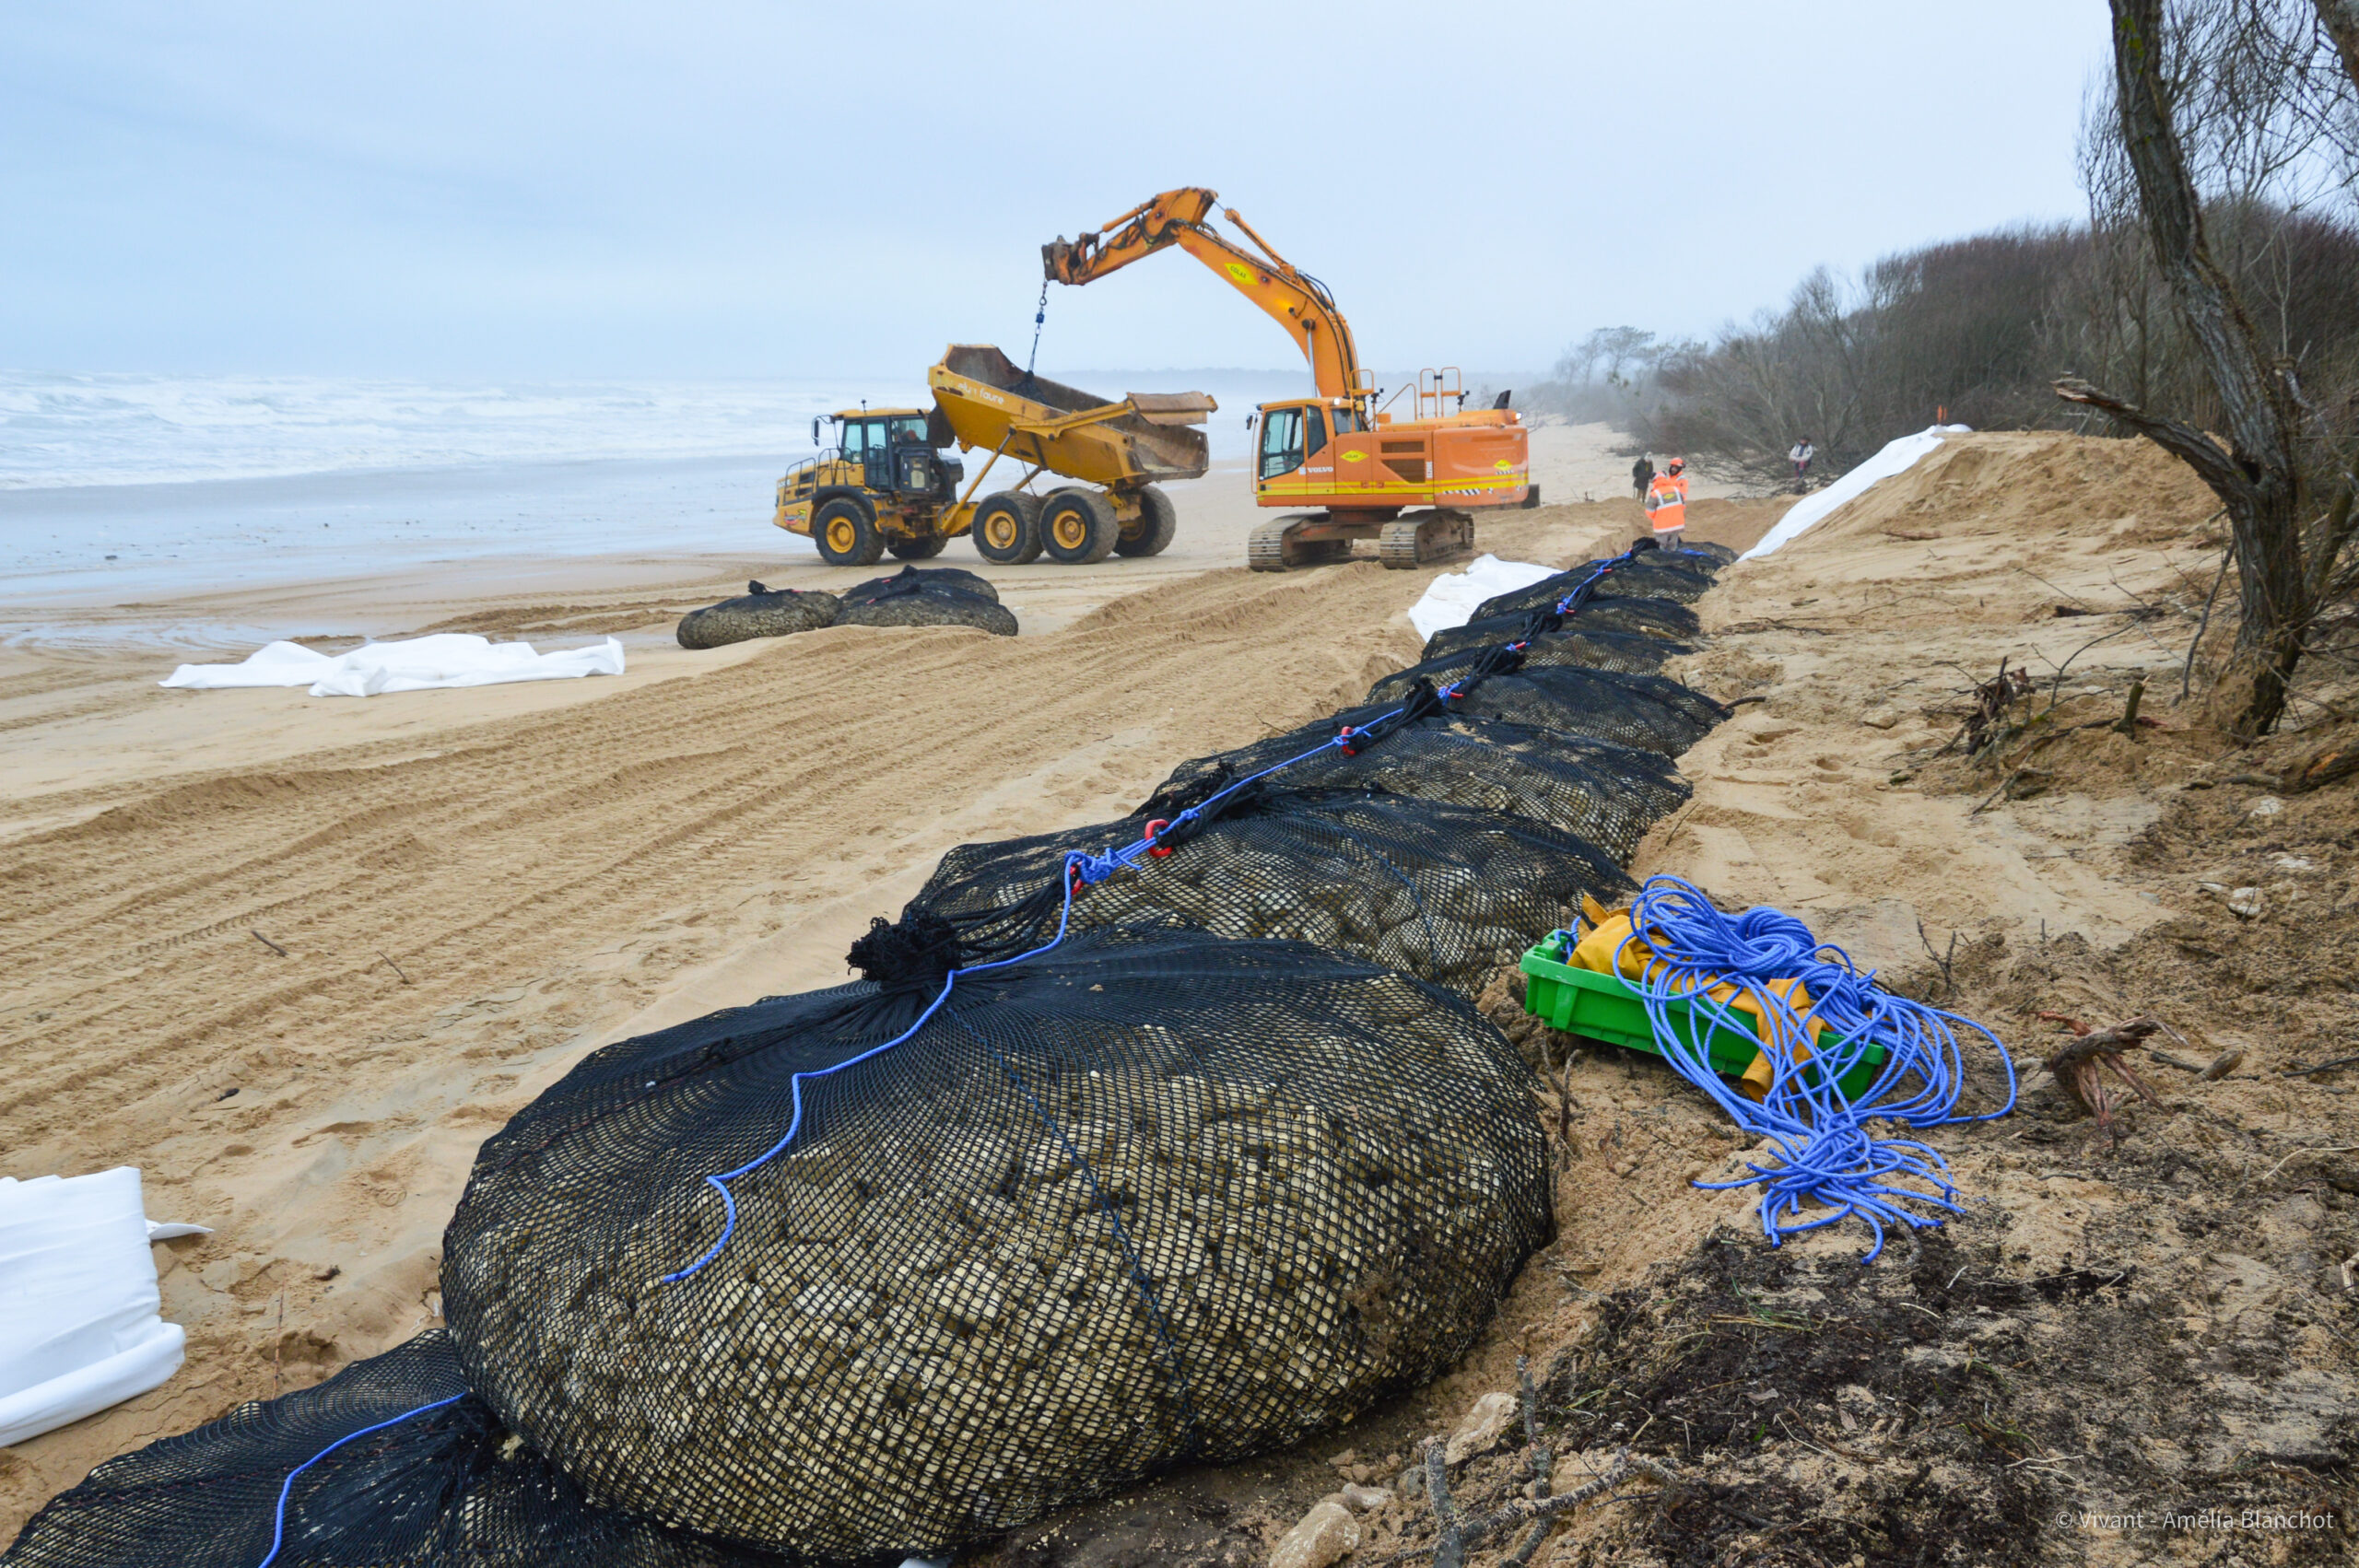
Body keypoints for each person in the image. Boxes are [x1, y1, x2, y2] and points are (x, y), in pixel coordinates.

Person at [1645, 457, 1689, 547]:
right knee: (1673, 549)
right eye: (1672, 467)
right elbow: (1682, 505)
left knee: (1662, 551)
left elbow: (1650, 513)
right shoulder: (1675, 489)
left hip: (1662, 527)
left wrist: (1659, 516)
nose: (1673, 469)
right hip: (1676, 525)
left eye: (1675, 467)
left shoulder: (1655, 494)